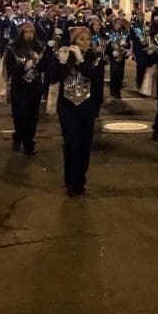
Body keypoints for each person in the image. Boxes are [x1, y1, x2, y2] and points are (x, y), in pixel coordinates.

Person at [47, 26, 98, 196]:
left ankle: (80, 179)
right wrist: (62, 62)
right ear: (73, 41)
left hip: (87, 106)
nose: (85, 43)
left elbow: (95, 76)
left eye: (87, 39)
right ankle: (70, 181)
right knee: (71, 144)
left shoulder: (95, 56)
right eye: (80, 39)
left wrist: (81, 60)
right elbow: (52, 78)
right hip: (67, 106)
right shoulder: (62, 55)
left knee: (85, 145)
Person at [4, 22, 49, 155]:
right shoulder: (12, 48)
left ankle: (29, 142)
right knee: (19, 115)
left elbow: (45, 67)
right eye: (26, 32)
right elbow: (10, 68)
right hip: (19, 86)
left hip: (34, 87)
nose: (29, 35)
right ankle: (18, 136)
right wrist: (24, 66)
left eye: (31, 32)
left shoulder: (39, 47)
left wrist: (39, 61)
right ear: (21, 33)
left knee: (33, 115)